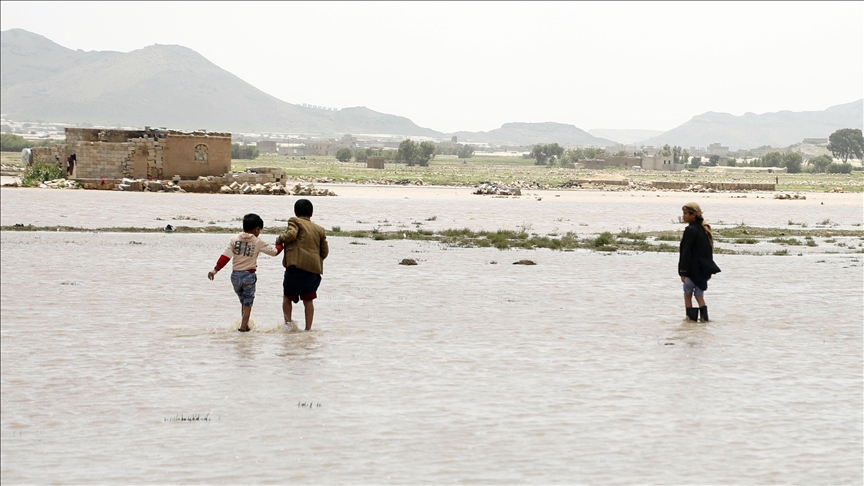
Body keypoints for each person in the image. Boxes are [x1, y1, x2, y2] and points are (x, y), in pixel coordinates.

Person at [208, 213, 282, 332]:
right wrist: (280, 245)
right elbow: (274, 252)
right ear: (257, 229)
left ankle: (245, 323)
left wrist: (215, 269)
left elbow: (225, 257)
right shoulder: (258, 242)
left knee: (243, 301)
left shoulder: (234, 239)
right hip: (249, 275)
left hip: (235, 276)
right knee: (248, 302)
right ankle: (243, 327)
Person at [276, 199, 329, 331]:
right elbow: (325, 252)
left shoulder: (294, 221)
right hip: (313, 270)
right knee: (308, 300)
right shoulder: (320, 230)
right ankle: (308, 329)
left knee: (287, 297)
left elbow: (291, 235)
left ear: (296, 212)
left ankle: (288, 326)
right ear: (311, 213)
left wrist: (280, 239)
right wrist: (314, 259)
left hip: (295, 267)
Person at [678, 202, 721, 322]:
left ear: (694, 214)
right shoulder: (704, 230)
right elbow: (708, 252)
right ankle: (704, 320)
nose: (683, 216)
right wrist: (708, 271)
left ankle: (690, 320)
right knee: (699, 295)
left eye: (686, 213)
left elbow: (685, 252)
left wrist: (682, 271)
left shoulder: (690, 230)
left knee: (687, 294)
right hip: (702, 269)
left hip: (691, 269)